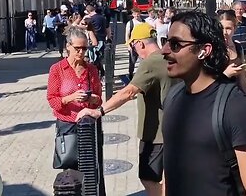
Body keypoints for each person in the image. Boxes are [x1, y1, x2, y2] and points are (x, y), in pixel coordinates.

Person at [161, 11, 246, 196]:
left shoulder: (237, 109)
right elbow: (168, 173)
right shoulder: (173, 97)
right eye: (166, 41)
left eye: (175, 44)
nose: (165, 50)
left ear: (204, 50)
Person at [76, 23, 174, 196]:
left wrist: (99, 111)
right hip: (174, 129)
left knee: (148, 176)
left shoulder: (150, 63)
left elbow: (128, 92)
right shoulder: (169, 58)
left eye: (133, 45)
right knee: (169, 177)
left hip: (155, 133)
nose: (134, 50)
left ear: (140, 43)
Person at [46, 26, 106, 195]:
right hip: (67, 125)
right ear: (68, 47)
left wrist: (91, 99)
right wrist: (70, 98)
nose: (81, 52)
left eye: (84, 48)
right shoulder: (57, 69)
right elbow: (53, 100)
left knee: (93, 167)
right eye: (77, 48)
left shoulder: (91, 69)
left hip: (88, 125)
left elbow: (99, 99)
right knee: (71, 170)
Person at [218, 9, 246, 96]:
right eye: (221, 28)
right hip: (218, 97)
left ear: (235, 28)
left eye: (228, 28)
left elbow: (242, 79)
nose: (224, 32)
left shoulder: (238, 47)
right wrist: (226, 74)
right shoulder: (213, 49)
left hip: (235, 96)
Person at [125, 7, 144, 80]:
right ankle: (130, 74)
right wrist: (128, 45)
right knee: (132, 62)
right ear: (132, 14)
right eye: (135, 14)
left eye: (138, 13)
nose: (137, 15)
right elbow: (127, 34)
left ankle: (141, 75)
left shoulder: (143, 22)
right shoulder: (130, 23)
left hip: (142, 45)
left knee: (143, 62)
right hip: (133, 46)